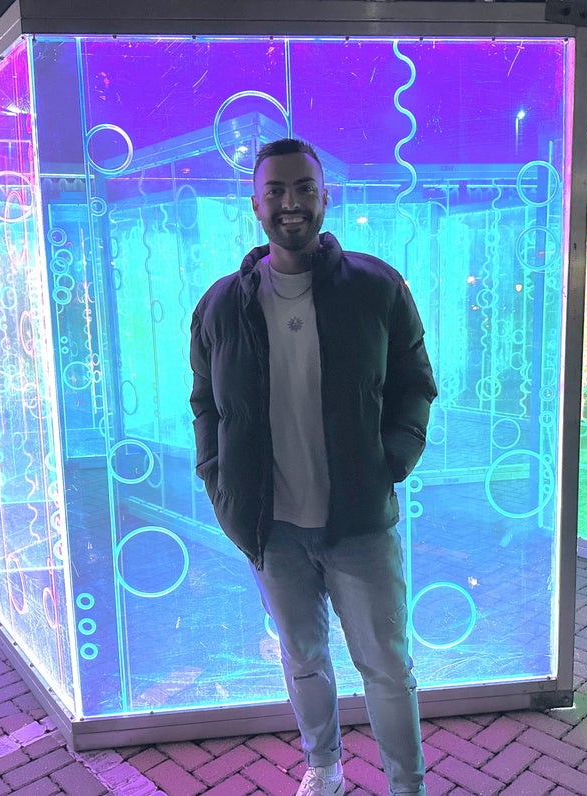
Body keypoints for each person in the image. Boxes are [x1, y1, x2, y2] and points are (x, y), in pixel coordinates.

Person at [189, 138, 436, 796]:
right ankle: (324, 770)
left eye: (303, 187)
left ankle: (406, 787)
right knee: (302, 659)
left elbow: (415, 383)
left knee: (387, 667)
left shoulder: (376, 287)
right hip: (273, 530)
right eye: (275, 190)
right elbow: (205, 405)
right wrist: (219, 484)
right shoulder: (221, 306)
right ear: (255, 205)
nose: (290, 202)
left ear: (326, 197)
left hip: (360, 522)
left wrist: (392, 460)